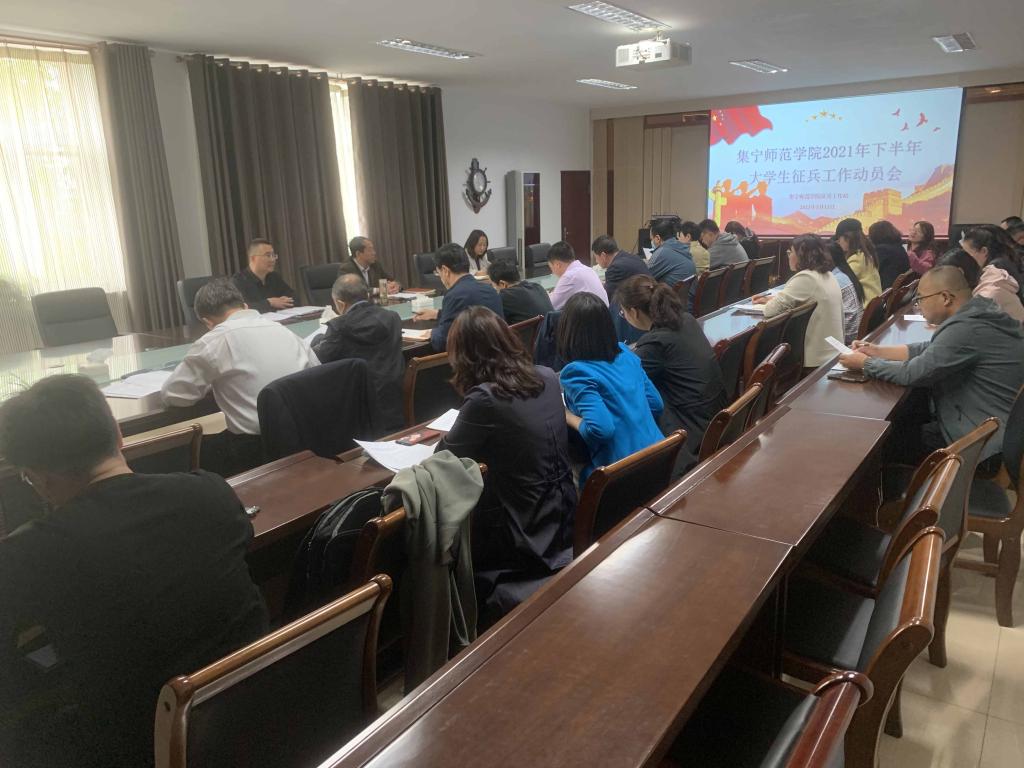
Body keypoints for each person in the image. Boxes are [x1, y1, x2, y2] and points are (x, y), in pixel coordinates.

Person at [0, 375, 268, 768]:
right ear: (119, 436)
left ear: (38, 478)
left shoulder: (32, 553)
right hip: (256, 711)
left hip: (139, 745)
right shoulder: (210, 491)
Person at [436, 307, 576, 624]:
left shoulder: (484, 399)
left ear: (464, 358)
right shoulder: (547, 376)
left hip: (522, 536)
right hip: (564, 519)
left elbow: (444, 458)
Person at [840, 266, 1024, 461]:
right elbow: (930, 348)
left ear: (945, 298)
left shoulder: (967, 328)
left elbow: (913, 373)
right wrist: (877, 351)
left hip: (986, 445)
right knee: (907, 425)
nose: (918, 306)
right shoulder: (978, 312)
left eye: (920, 298)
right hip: (998, 428)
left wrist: (865, 364)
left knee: (893, 441)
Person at [162, 279, 319, 476]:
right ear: (244, 306)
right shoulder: (284, 331)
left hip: (256, 450)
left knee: (180, 454)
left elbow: (174, 395)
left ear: (207, 322)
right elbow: (318, 373)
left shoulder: (214, 341)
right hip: (308, 438)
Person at [617, 275, 727, 471]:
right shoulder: (687, 320)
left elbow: (623, 382)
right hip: (716, 422)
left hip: (691, 438)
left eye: (622, 312)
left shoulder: (655, 344)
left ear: (633, 312)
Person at [558, 292, 664, 486]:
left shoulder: (576, 372)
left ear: (567, 332)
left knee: (564, 474)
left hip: (620, 473)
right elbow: (656, 404)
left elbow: (602, 430)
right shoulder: (625, 352)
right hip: (661, 456)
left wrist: (567, 416)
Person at [312, 274, 405, 432]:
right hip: (393, 402)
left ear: (340, 304)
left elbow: (319, 358)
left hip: (358, 409)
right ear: (367, 295)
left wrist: (318, 339)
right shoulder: (392, 318)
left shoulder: (339, 327)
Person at [753, 234, 844, 368]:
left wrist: (772, 301)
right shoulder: (828, 275)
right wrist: (772, 299)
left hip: (816, 357)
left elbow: (770, 311)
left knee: (761, 347)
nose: (788, 256)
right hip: (832, 351)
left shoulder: (806, 277)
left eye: (790, 252)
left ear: (802, 255)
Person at [414, 243, 504, 351]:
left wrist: (432, 333)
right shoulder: (490, 290)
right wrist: (438, 314)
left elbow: (443, 342)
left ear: (445, 270)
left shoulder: (454, 295)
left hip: (473, 358)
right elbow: (469, 314)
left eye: (438, 273)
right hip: (497, 354)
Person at [938, 248, 1024, 323]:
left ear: (960, 272)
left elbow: (967, 328)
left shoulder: (987, 296)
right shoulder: (988, 277)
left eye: (946, 278)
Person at [231, 237, 296, 313]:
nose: (272, 260)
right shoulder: (238, 281)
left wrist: (285, 302)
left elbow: (294, 297)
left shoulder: (274, 277)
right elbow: (240, 309)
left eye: (273, 255)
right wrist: (269, 303)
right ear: (253, 258)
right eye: (268, 255)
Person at [962, 225, 1024, 302]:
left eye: (968, 255)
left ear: (984, 251)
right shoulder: (1008, 262)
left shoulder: (996, 273)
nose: (965, 260)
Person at [487, 258, 553, 325]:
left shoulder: (505, 296)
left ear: (502, 284)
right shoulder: (537, 286)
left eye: (492, 285)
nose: (493, 288)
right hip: (552, 330)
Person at [547, 240, 608, 310]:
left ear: (557, 265)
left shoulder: (569, 276)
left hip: (595, 315)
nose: (552, 272)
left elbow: (550, 306)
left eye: (551, 268)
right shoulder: (587, 269)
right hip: (603, 313)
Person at [592, 235, 651, 305]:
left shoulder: (615, 268)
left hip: (640, 305)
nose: (596, 261)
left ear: (603, 255)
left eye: (596, 257)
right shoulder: (631, 257)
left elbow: (608, 299)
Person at [834, 218, 881, 305]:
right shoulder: (865, 254)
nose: (838, 243)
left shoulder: (856, 260)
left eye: (839, 239)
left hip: (866, 307)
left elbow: (840, 282)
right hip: (874, 304)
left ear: (847, 238)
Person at [647, 219, 696, 288]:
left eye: (651, 239)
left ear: (658, 238)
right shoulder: (681, 247)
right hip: (686, 294)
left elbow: (645, 278)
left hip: (671, 294)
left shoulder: (662, 251)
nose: (651, 242)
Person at [868, 220, 911, 288]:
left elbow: (871, 271)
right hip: (898, 289)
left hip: (885, 289)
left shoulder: (882, 250)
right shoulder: (899, 247)